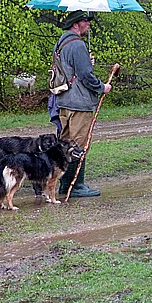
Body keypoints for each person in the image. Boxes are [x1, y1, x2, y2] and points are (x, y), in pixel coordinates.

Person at [53, 10, 112, 197]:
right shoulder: (77, 45)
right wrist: (102, 87)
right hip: (79, 103)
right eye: (85, 21)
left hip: (63, 101)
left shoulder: (61, 43)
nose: (88, 24)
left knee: (64, 142)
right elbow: (86, 76)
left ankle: (63, 183)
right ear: (76, 24)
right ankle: (76, 185)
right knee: (79, 144)